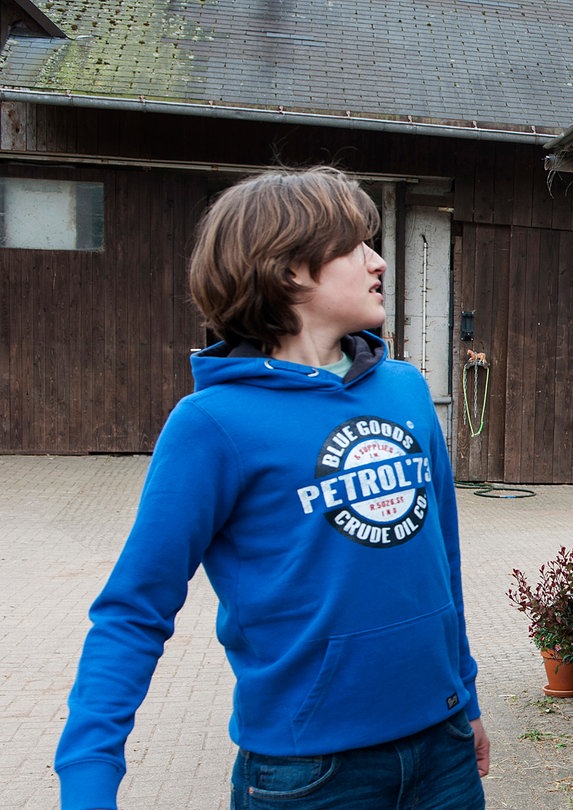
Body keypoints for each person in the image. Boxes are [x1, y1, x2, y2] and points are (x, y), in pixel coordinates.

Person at [54, 166, 489, 809]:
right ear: (290, 270)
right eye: (355, 247)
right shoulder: (211, 425)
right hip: (307, 775)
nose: (378, 263)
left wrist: (467, 695)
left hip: (442, 749)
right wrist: (88, 783)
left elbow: (441, 560)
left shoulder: (405, 390)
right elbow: (133, 612)